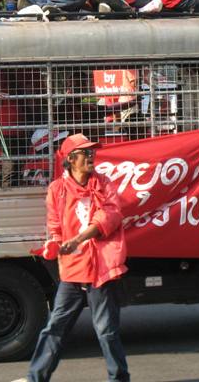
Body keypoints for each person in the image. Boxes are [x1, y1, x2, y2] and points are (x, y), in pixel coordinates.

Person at [25, 133, 129, 382]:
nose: (91, 156)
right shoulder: (57, 189)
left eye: (92, 152)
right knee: (55, 329)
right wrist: (55, 243)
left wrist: (79, 239)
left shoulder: (104, 183)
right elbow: (55, 225)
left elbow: (111, 216)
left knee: (107, 332)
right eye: (85, 153)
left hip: (102, 269)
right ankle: (36, 378)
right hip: (73, 270)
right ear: (71, 159)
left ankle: (119, 379)